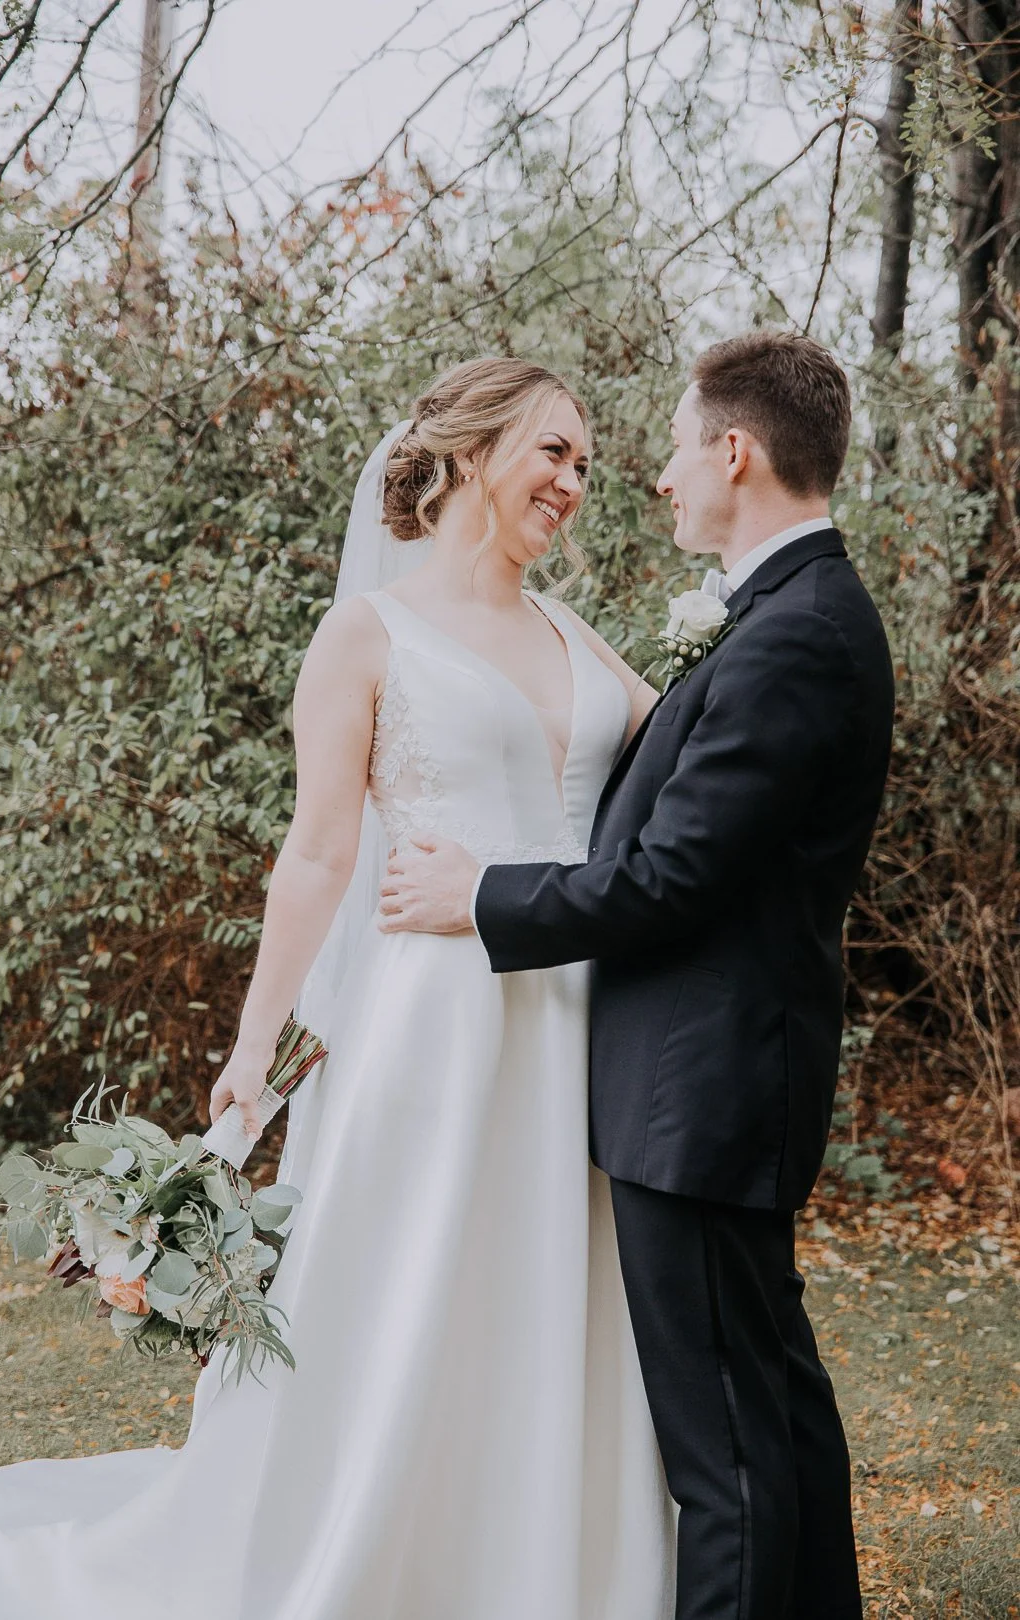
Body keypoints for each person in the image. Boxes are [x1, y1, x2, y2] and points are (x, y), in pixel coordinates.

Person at [0, 357, 678, 1619]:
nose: (574, 483)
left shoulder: (575, 634)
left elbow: (686, 768)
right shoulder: (367, 633)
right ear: (464, 448)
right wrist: (254, 1045)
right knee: (404, 1300)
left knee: (553, 1305)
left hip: (578, 1022)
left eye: (588, 467)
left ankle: (538, 1567)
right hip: (434, 1026)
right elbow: (321, 852)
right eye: (553, 452)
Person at [379, 332, 895, 1620]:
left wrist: (480, 897)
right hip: (718, 1083)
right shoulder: (792, 616)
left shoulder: (796, 637)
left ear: (735, 451)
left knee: (721, 1454)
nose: (657, 479)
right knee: (775, 1409)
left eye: (670, 448)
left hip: (703, 1094)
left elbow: (671, 880)